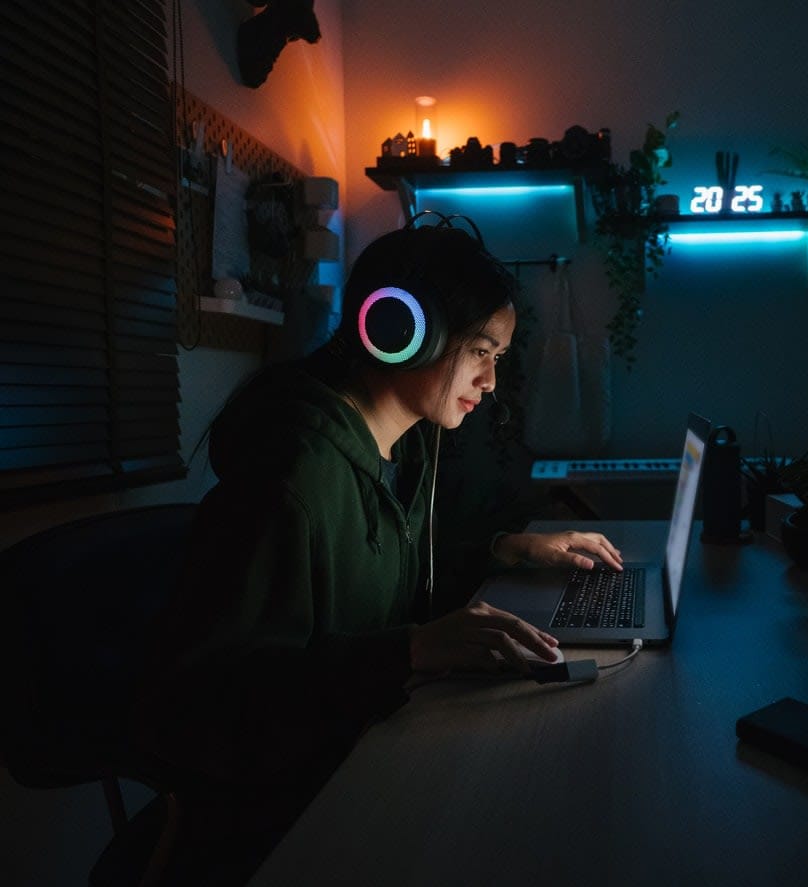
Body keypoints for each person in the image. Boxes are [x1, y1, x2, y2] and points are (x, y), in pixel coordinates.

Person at [132, 221, 621, 883]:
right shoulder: (294, 473)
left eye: (497, 356)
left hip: (362, 750)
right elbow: (207, 703)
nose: (490, 380)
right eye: (480, 350)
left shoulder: (402, 448)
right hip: (287, 819)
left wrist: (508, 549)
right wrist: (409, 650)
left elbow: (387, 584)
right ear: (397, 329)